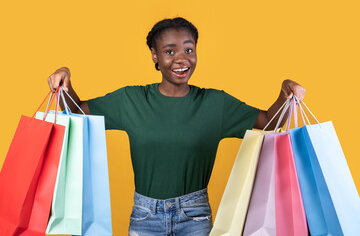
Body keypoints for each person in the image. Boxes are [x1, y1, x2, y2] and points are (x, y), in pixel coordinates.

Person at [48, 17, 305, 236]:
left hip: (194, 217)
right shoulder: (131, 100)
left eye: (189, 50)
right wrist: (65, 78)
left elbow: (269, 123)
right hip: (144, 217)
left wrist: (285, 92)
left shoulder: (216, 104)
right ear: (155, 56)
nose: (181, 59)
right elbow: (77, 112)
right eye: (170, 51)